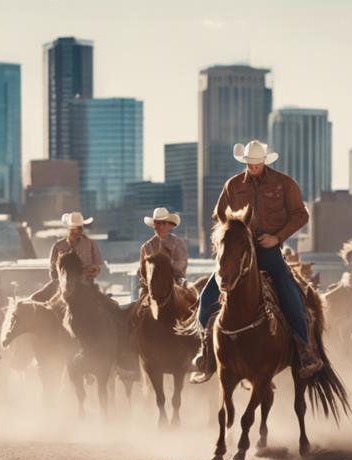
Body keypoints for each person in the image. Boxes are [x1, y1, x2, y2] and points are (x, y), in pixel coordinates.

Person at [190, 140, 323, 383]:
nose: (252, 167)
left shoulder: (284, 183)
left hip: (268, 250)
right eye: (249, 163)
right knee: (207, 298)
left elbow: (301, 214)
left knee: (290, 294)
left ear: (265, 161)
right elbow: (218, 215)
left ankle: (305, 350)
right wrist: (231, 235)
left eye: (256, 163)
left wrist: (277, 237)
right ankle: (206, 352)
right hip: (239, 250)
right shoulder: (232, 185)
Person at [29, 212, 104, 302]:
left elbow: (98, 264)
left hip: (86, 285)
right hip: (63, 286)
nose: (79, 231)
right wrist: (64, 279)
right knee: (39, 300)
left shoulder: (90, 244)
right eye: (77, 228)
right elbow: (52, 271)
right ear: (70, 229)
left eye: (81, 228)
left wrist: (92, 270)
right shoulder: (58, 246)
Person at [137, 207, 188, 299]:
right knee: (140, 306)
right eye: (158, 223)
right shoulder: (146, 247)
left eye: (164, 223)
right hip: (151, 286)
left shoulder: (178, 243)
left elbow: (181, 265)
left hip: (175, 284)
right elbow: (142, 271)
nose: (161, 226)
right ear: (154, 225)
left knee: (191, 303)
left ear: (169, 225)